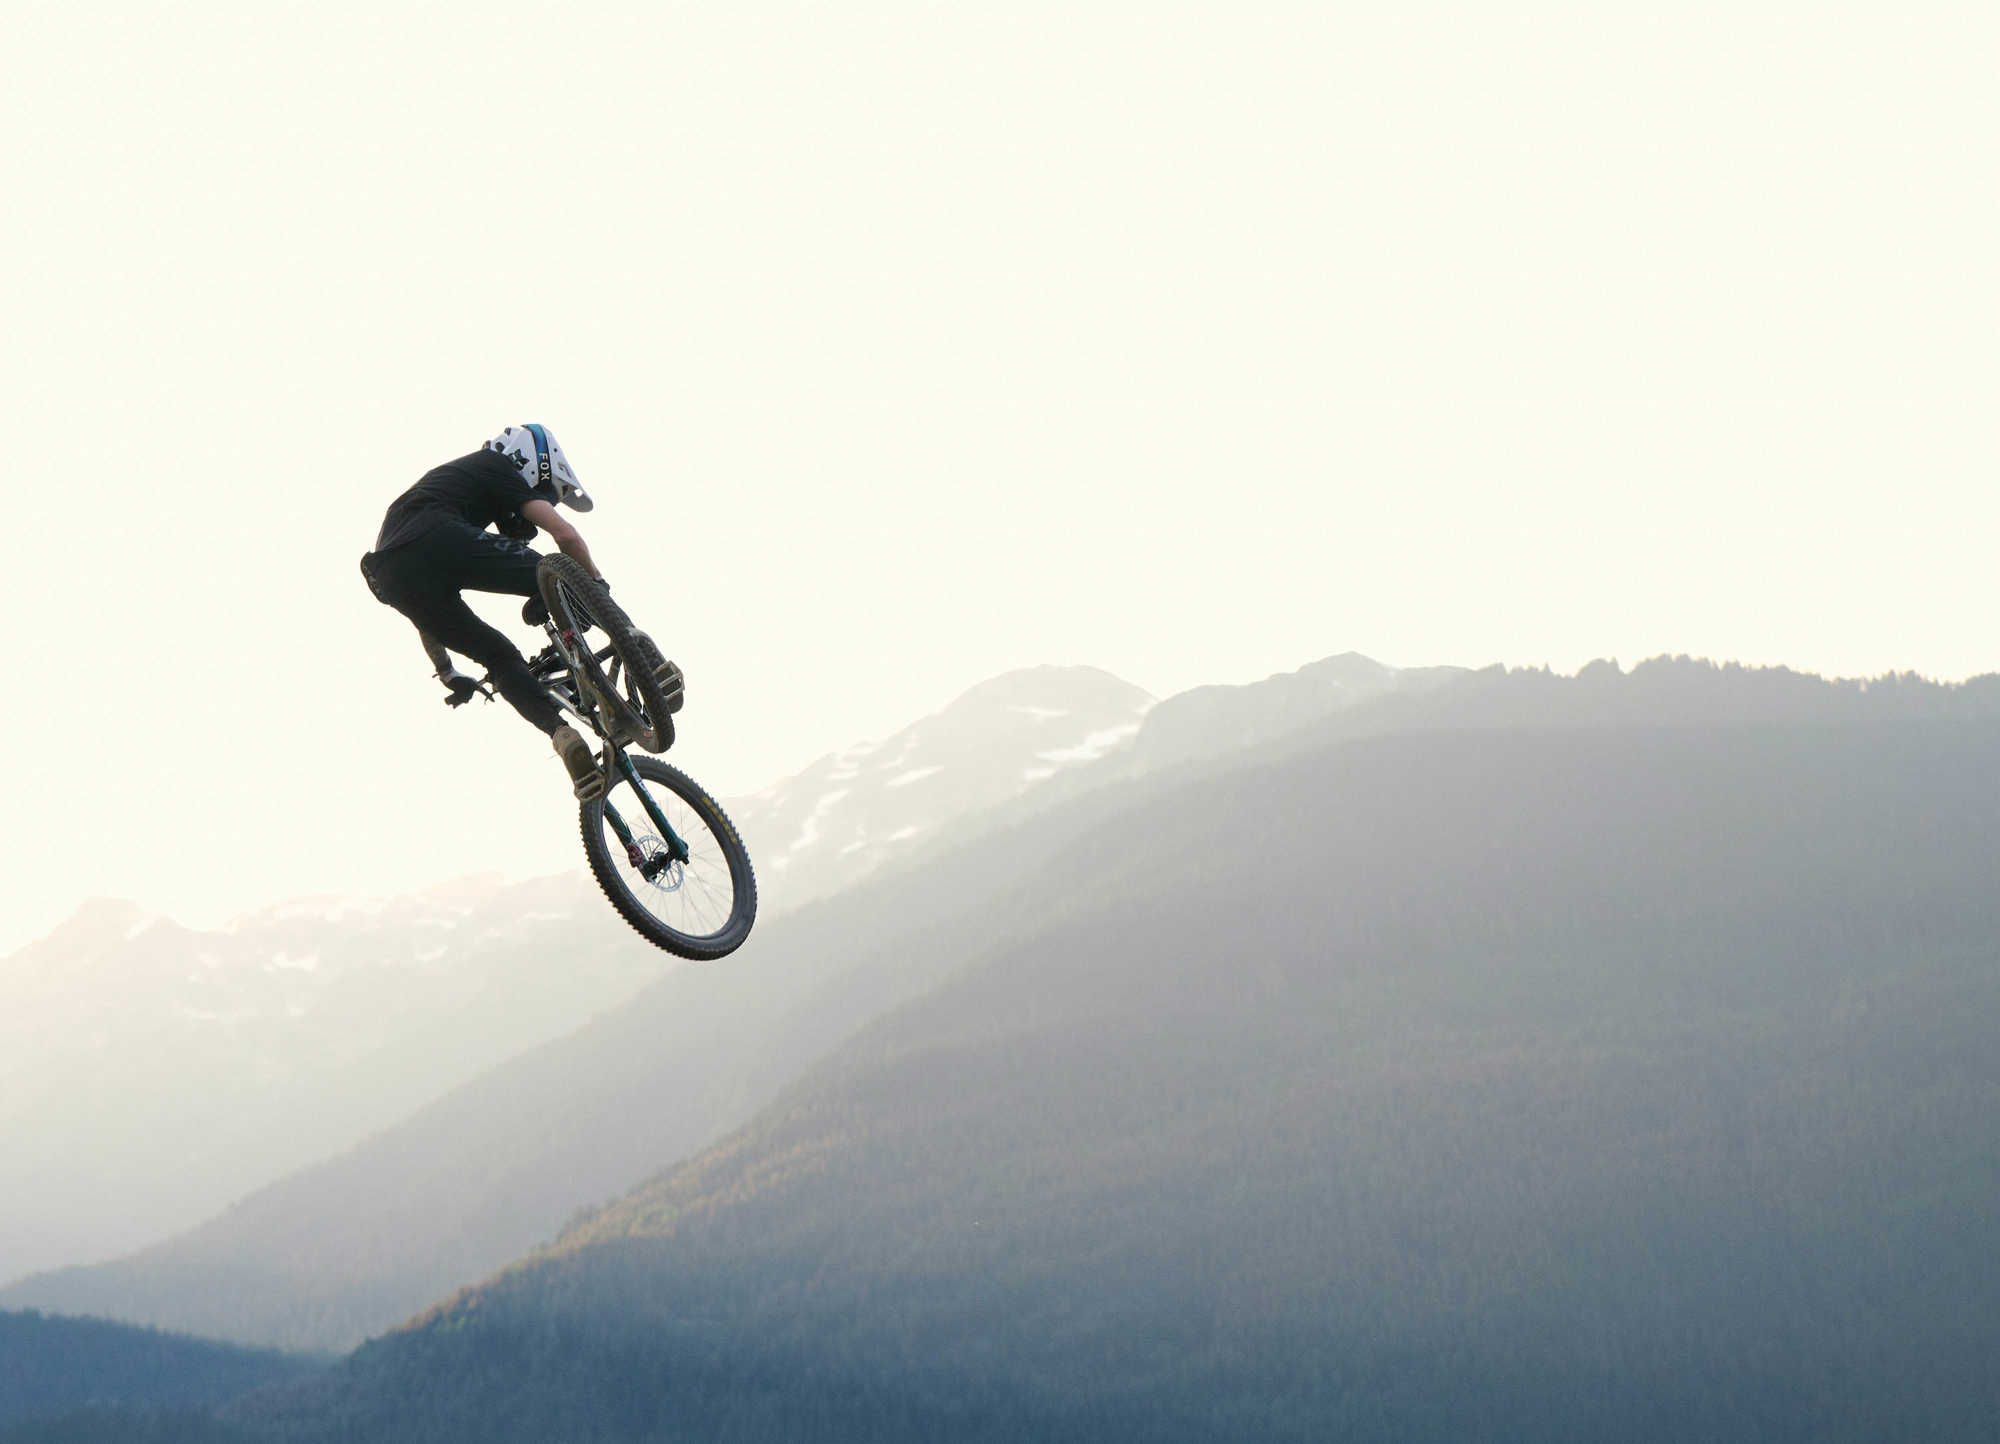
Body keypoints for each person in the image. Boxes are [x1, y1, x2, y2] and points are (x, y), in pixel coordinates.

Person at [360, 424, 608, 800]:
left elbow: (423, 618)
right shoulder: (498, 465)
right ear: (533, 464)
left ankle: (563, 736)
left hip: (390, 576)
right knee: (557, 575)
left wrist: (447, 672)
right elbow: (566, 536)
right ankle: (647, 661)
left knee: (499, 657)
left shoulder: (447, 486)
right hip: (441, 536)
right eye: (543, 493)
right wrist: (597, 588)